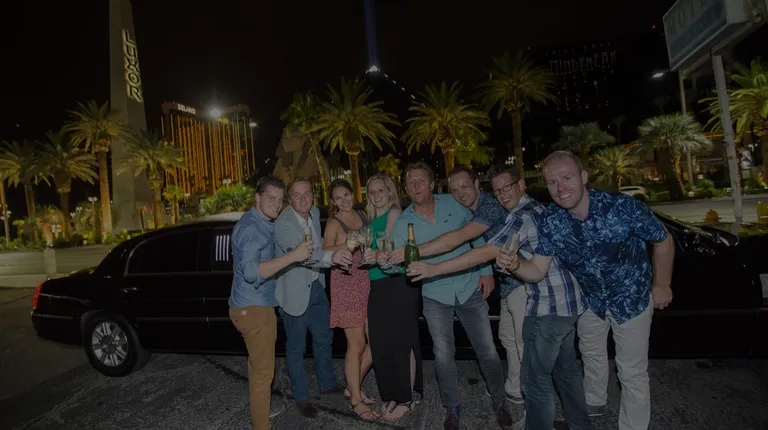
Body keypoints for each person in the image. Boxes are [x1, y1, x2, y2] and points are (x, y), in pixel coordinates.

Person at [499, 150, 674, 430]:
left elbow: (663, 240)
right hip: (591, 301)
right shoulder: (552, 220)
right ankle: (594, 403)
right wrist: (516, 264)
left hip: (631, 300)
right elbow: (538, 270)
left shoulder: (622, 207)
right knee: (591, 355)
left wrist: (662, 284)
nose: (560, 188)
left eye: (567, 178)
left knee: (631, 373)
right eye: (553, 182)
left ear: (583, 177)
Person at [407, 165, 592, 430]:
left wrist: (430, 267)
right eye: (498, 191)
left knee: (534, 377)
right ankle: (578, 424)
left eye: (507, 188)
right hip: (561, 298)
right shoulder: (526, 210)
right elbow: (531, 264)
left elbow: (476, 248)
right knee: (565, 370)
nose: (502, 195)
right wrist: (511, 266)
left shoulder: (516, 216)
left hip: (547, 303)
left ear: (521, 185)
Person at [382, 162, 513, 430]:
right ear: (406, 188)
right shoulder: (403, 222)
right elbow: (396, 261)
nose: (415, 186)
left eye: (421, 180)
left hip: (468, 286)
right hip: (435, 294)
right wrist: (386, 263)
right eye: (410, 182)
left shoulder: (454, 203)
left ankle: (500, 401)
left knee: (487, 349)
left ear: (432, 184)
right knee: (443, 355)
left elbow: (477, 235)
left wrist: (486, 270)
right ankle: (451, 407)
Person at [228, 175, 315, 430]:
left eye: (280, 199)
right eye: (271, 198)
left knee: (258, 369)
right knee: (263, 375)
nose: (277, 204)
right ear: (257, 197)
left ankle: (260, 413)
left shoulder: (259, 222)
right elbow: (251, 272)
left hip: (252, 305)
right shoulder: (251, 229)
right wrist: (294, 255)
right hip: (254, 310)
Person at [274, 178, 354, 417]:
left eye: (306, 193)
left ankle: (327, 384)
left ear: (313, 195)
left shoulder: (315, 213)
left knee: (323, 337)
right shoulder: (283, 224)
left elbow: (318, 245)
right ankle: (301, 398)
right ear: (289, 199)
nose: (302, 199)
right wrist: (332, 257)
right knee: (296, 348)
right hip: (294, 293)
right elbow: (302, 254)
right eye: (296, 195)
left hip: (316, 286)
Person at [361, 173, 423, 421]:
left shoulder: (395, 212)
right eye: (372, 192)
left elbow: (386, 242)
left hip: (398, 282)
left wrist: (372, 251)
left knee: (402, 341)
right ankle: (393, 395)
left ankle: (407, 398)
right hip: (378, 284)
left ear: (390, 192)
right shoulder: (370, 220)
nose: (376, 196)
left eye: (380, 190)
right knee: (381, 342)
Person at [322, 179, 377, 420]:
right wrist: (347, 243)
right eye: (338, 197)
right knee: (356, 343)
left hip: (365, 279)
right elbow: (325, 250)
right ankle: (355, 398)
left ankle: (353, 385)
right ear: (333, 202)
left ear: (353, 194)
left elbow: (371, 241)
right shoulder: (334, 222)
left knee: (375, 340)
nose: (343, 200)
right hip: (345, 282)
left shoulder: (362, 214)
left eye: (346, 195)